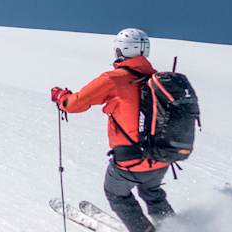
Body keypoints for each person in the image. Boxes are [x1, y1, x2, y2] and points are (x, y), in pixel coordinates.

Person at [51, 28, 175, 232]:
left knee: (116, 194)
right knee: (152, 193)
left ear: (120, 50)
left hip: (130, 160)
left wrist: (60, 97)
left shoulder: (114, 79)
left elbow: (74, 104)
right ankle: (176, 227)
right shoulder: (160, 81)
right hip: (161, 158)